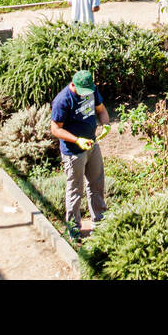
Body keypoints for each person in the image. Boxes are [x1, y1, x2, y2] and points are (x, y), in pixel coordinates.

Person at [50, 70, 110, 241]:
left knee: (97, 183)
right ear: (73, 85)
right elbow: (55, 129)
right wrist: (77, 141)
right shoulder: (63, 100)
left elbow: (101, 110)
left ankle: (100, 220)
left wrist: (106, 124)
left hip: (92, 145)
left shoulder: (91, 90)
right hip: (73, 152)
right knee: (75, 189)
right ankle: (74, 228)